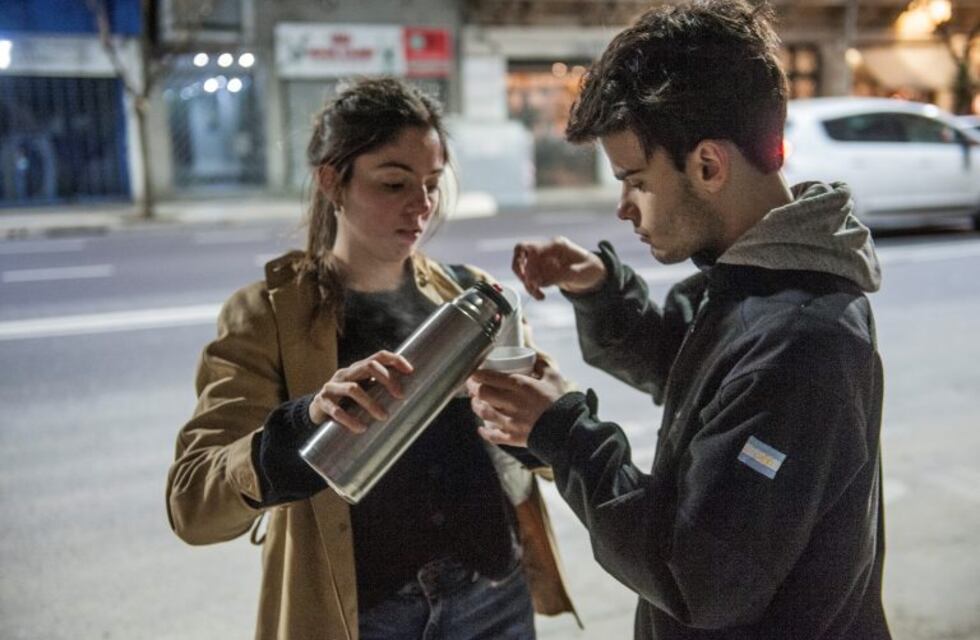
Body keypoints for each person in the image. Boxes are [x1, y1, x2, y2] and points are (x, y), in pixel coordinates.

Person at [466, 2, 891, 639]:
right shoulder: (754, 281)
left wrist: (564, 432)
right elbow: (696, 375)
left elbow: (696, 575)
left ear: (709, 166)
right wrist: (602, 290)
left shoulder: (804, 339)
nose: (623, 208)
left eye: (635, 180)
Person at [166, 77, 577, 640]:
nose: (422, 205)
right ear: (332, 180)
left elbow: (552, 449)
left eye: (432, 183)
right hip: (364, 613)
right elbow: (193, 503)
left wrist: (543, 414)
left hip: (491, 596)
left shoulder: (467, 295)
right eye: (394, 183)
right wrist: (303, 423)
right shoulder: (267, 317)